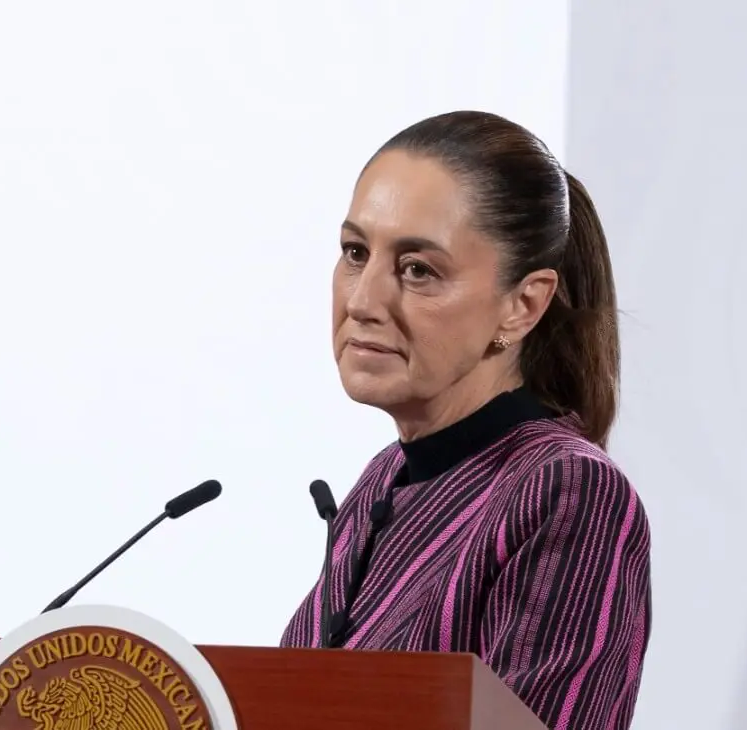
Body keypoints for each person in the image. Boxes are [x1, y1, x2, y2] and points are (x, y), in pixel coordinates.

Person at [279, 111, 652, 729]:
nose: (364, 300)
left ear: (521, 305)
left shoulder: (568, 493)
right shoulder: (385, 479)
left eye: (417, 269)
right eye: (355, 252)